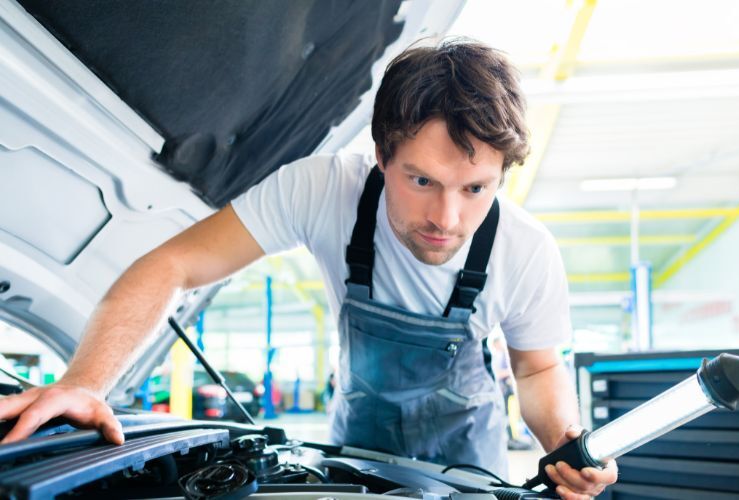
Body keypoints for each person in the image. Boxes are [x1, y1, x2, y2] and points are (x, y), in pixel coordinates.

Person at [0, 39, 616, 499]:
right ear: (381, 156)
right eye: (421, 180)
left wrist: (566, 446)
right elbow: (172, 264)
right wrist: (85, 383)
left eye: (476, 188)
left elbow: (536, 368)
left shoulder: (526, 250)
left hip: (470, 471)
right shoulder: (322, 190)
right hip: (352, 460)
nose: (447, 219)